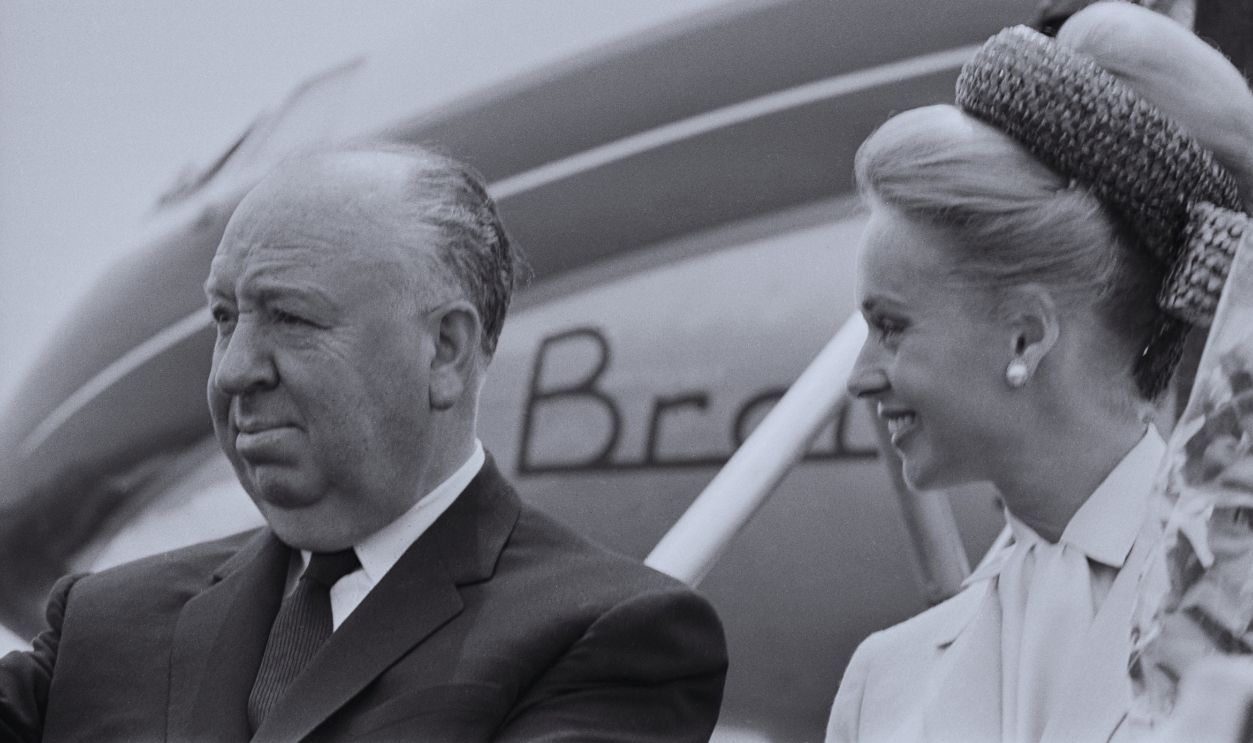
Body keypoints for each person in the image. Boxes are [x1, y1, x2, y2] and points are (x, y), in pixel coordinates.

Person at [0, 144, 728, 742]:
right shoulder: (101, 624)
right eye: (225, 318)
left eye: (290, 317)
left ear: (444, 350)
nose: (233, 369)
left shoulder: (610, 638)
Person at [826, 2, 1253, 742]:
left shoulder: (1233, 602)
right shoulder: (883, 675)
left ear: (1027, 334)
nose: (859, 377)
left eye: (891, 326)